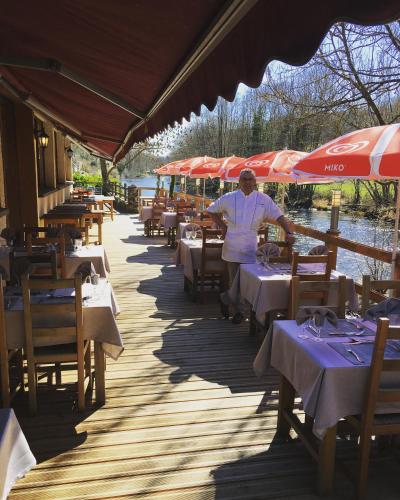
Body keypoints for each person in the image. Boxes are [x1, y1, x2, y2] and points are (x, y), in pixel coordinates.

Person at [207, 168, 295, 324]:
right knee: (235, 281)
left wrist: (288, 231)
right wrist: (223, 226)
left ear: (255, 182)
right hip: (232, 245)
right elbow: (211, 210)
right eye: (244, 179)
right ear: (239, 182)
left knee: (247, 282)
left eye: (250, 179)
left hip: (250, 247)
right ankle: (240, 312)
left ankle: (226, 299)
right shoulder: (229, 197)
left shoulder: (263, 199)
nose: (247, 182)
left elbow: (279, 216)